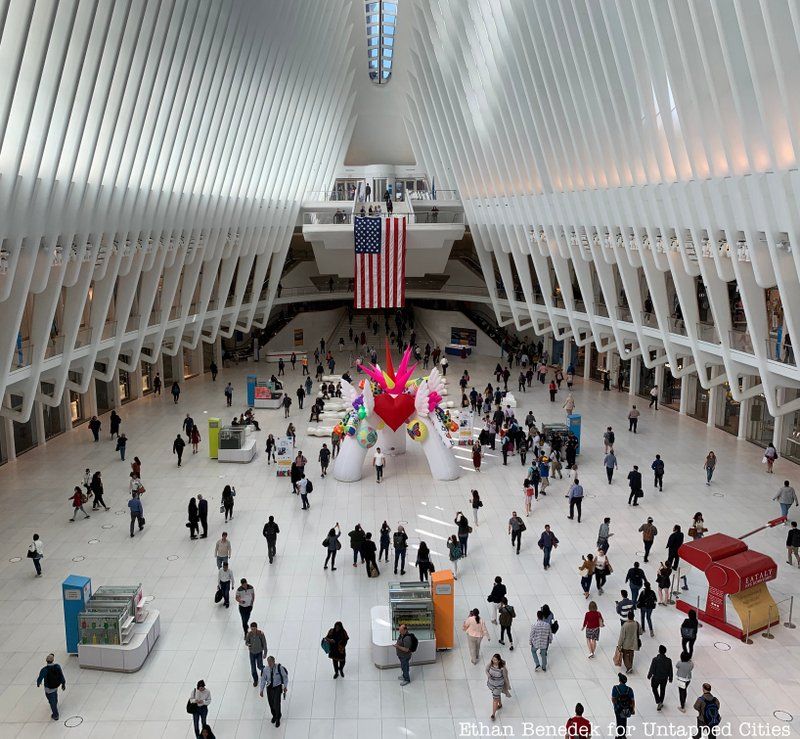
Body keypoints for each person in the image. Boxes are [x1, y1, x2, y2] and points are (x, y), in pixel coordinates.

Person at [259, 656, 289, 726]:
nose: (269, 664)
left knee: (277, 703)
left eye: (271, 662)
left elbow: (285, 677)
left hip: (277, 687)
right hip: (269, 687)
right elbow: (263, 680)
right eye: (268, 662)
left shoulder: (279, 668)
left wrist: (285, 686)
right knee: (271, 703)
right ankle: (274, 715)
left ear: (274, 661)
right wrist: (261, 690)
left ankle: (278, 717)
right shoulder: (265, 669)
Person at [36, 653, 66, 721]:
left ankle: (55, 715)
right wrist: (63, 684)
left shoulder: (44, 670)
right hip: (56, 686)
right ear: (53, 660)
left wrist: (38, 683)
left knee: (51, 700)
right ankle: (55, 702)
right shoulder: (57, 666)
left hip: (48, 688)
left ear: (46, 661)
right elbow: (61, 675)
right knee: (55, 695)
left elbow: (40, 678)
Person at [486, 653, 511, 721]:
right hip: (491, 684)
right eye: (493, 659)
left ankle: (493, 714)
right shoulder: (490, 664)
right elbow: (486, 669)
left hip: (498, 686)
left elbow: (505, 677)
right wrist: (488, 674)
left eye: (495, 660)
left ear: (499, 661)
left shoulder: (502, 668)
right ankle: (500, 704)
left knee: (495, 699)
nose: (493, 661)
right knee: (497, 695)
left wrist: (508, 685)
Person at [611, 673, 636, 737]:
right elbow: (632, 700)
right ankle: (623, 735)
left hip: (618, 708)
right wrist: (632, 709)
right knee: (624, 721)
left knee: (619, 721)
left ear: (619, 680)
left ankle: (619, 735)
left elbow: (613, 699)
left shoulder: (615, 688)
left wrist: (616, 706)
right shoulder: (629, 689)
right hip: (626, 708)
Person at [244, 622, 267, 686]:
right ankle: (255, 680)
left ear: (256, 628)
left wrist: (265, 653)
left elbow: (264, 644)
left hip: (259, 652)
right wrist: (248, 644)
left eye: (254, 629)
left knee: (259, 666)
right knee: (253, 668)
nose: (253, 630)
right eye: (252, 629)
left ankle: (263, 669)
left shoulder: (261, 634)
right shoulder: (249, 634)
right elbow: (246, 642)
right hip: (252, 653)